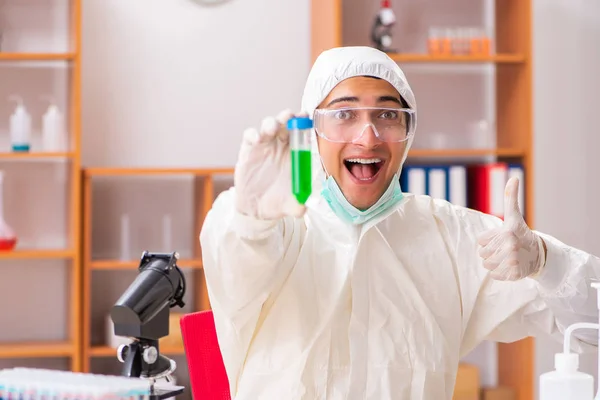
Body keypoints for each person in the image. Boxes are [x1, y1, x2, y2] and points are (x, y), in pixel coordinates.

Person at [199, 46, 600, 399]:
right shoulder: (273, 229)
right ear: (313, 130)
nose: (369, 137)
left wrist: (548, 262)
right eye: (344, 114)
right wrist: (249, 217)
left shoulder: (454, 237)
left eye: (388, 114)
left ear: (408, 132)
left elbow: (591, 325)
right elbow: (233, 269)